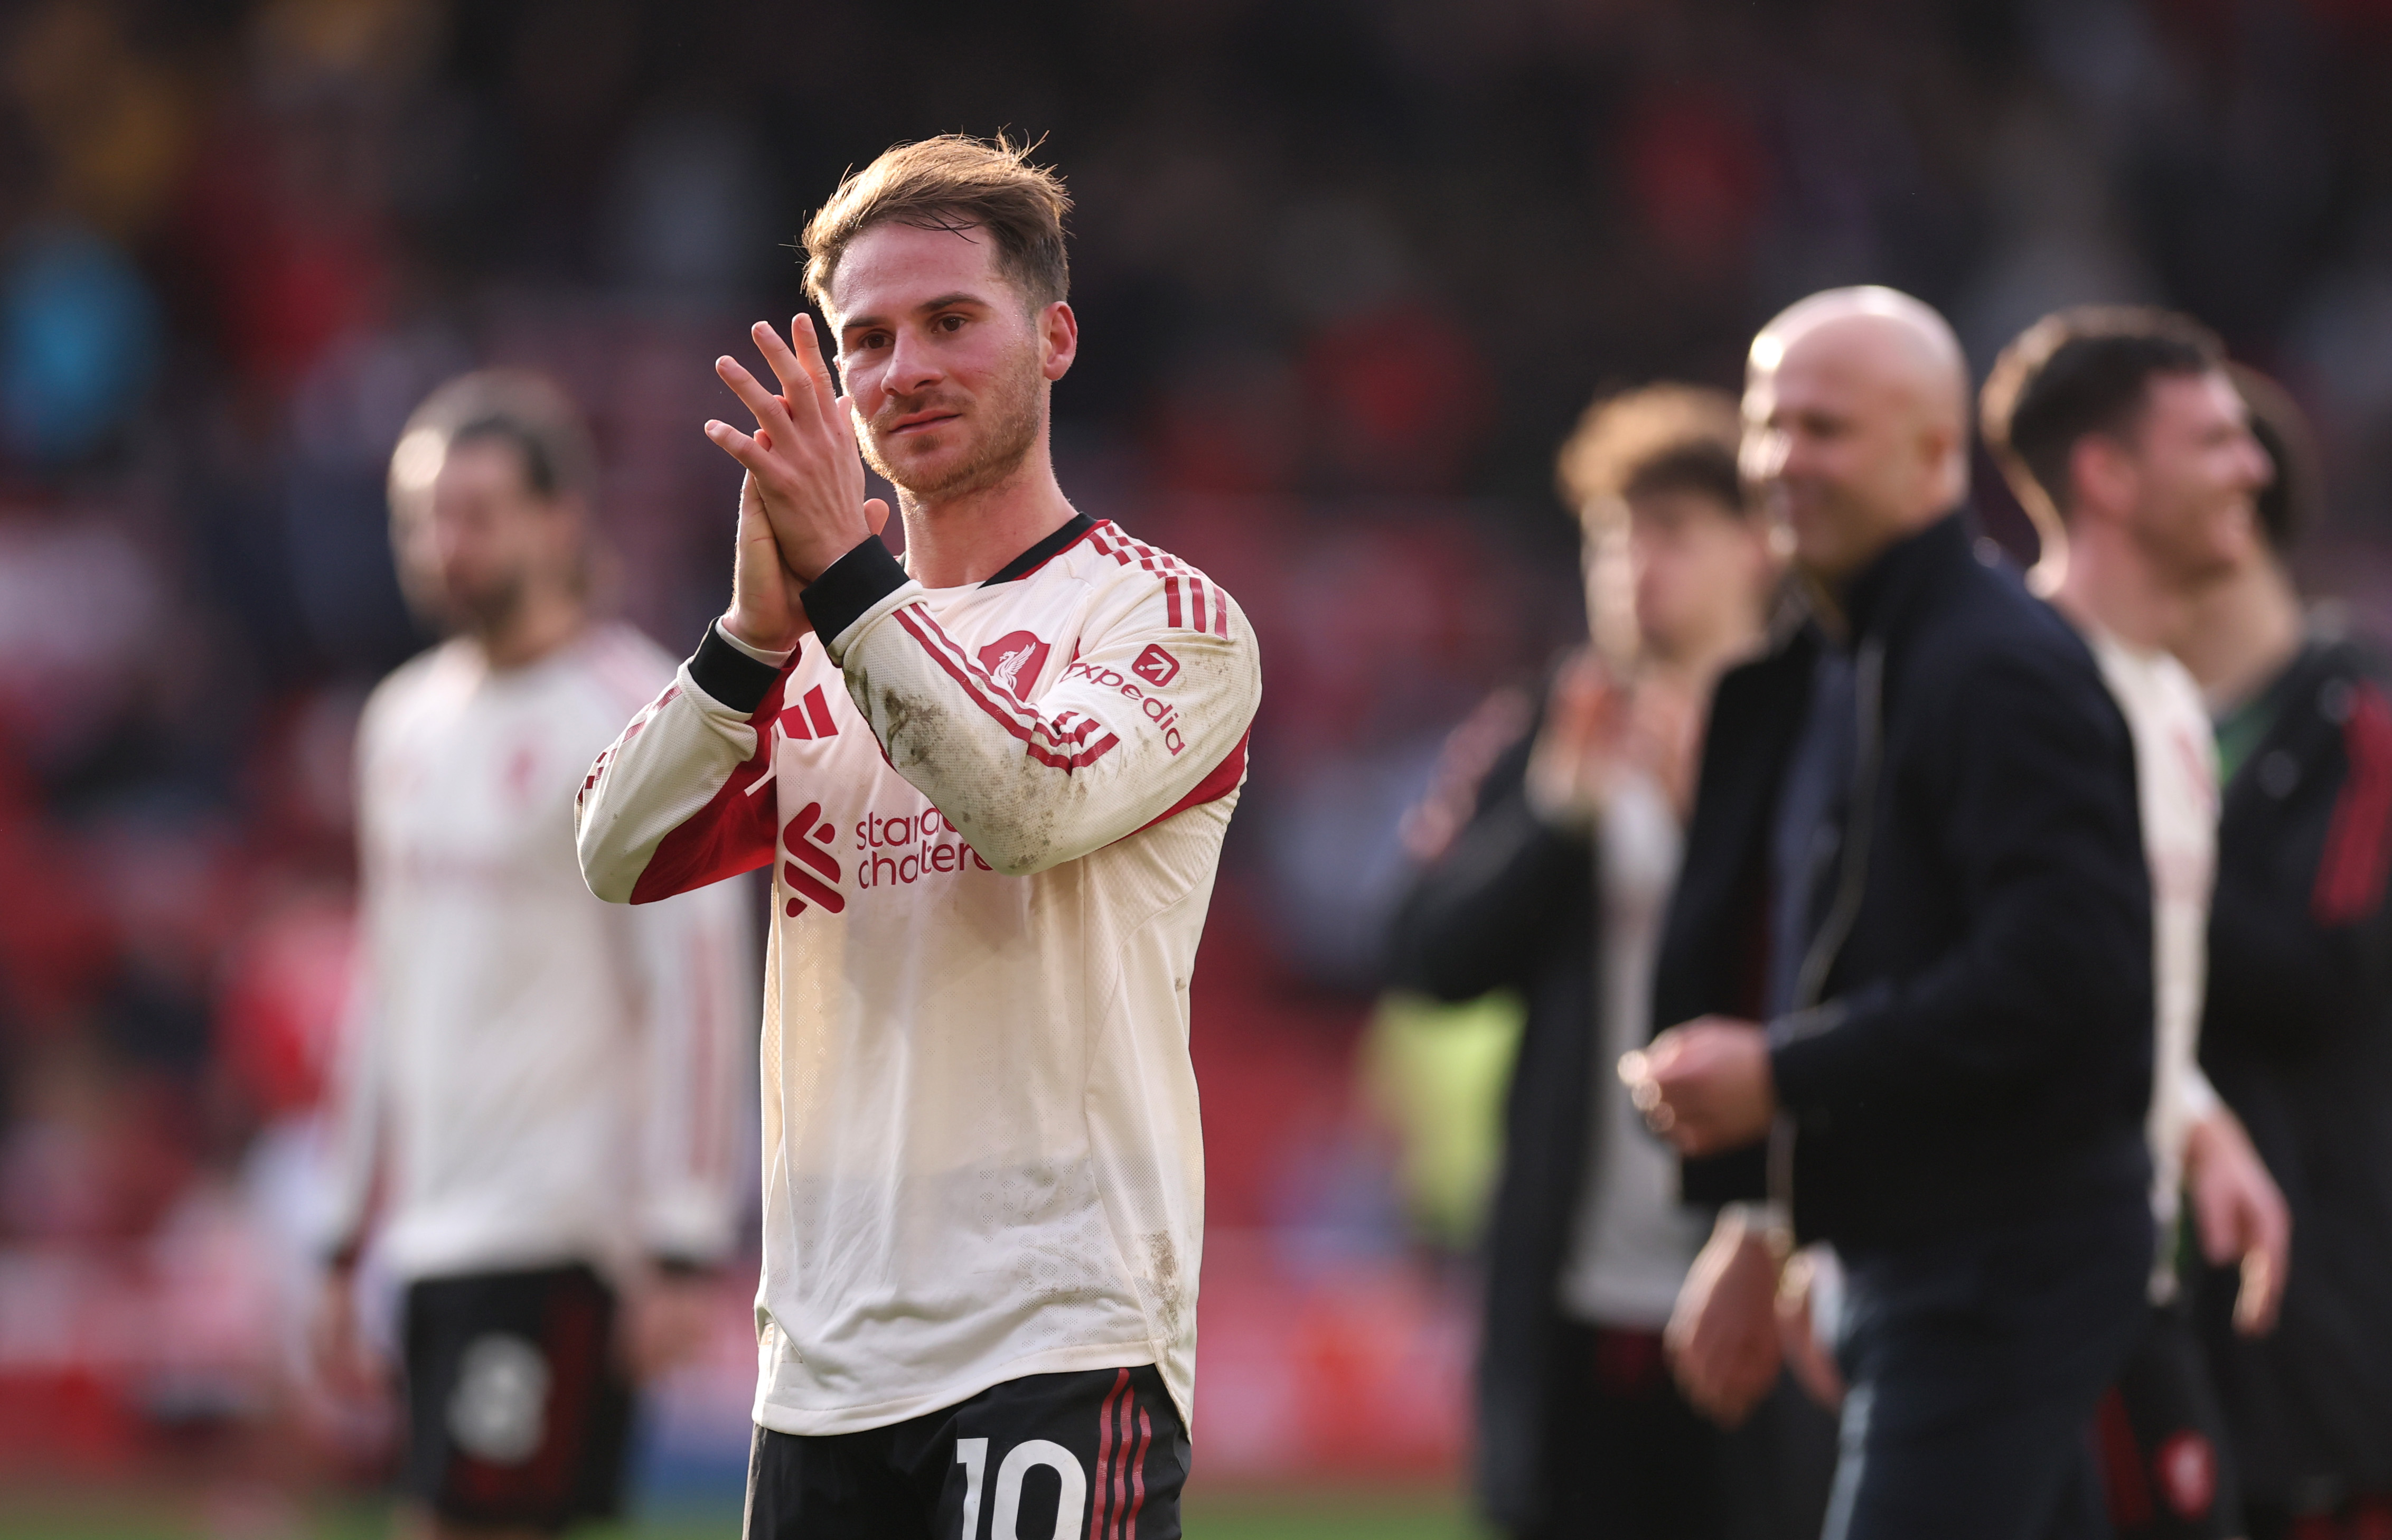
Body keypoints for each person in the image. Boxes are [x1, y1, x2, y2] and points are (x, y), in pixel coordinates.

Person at [572, 136, 1261, 1540]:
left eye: (952, 322)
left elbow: (1026, 805)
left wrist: (840, 582)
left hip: (1057, 1336)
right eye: (866, 339)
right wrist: (751, 639)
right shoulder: (809, 648)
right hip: (823, 1359)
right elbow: (616, 854)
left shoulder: (1163, 619)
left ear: (1054, 336)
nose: (905, 371)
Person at [1624, 286, 2156, 1540]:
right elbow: (1842, 956)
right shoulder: (1837, 659)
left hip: (1999, 1268)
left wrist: (1780, 1075)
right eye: (1769, 425)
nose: (1782, 461)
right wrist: (1761, 1220)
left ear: (1935, 453)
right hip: (1925, 1254)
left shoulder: (1994, 665)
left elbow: (2064, 977)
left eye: (1826, 430)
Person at [312, 371, 752, 1538]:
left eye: (476, 513)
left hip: (562, 1225)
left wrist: (682, 1235)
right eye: (423, 518)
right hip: (432, 1232)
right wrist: (341, 1234)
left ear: (563, 521)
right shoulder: (400, 723)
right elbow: (385, 984)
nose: (444, 544)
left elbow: (700, 986)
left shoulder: (637, 712)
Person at [1389, 384, 1830, 1538]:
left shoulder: (1821, 733)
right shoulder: (1550, 727)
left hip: (1765, 1277)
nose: (1635, 566)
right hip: (1568, 1289)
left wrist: (1709, 826)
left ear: (1758, 546)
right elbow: (1425, 957)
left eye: (1671, 532)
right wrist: (1552, 822)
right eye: (1610, 537)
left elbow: (1857, 971)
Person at [1980, 305, 2292, 1540]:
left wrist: (2204, 1126)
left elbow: (2118, 985)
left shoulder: (2166, 703)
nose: (2256, 469)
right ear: (2106, 476)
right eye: (2216, 442)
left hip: (2131, 1272)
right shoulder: (2000, 690)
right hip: (2020, 1291)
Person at [2171, 364, 2392, 1540]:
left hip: (2328, 1328)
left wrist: (2139, 854)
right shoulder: (2105, 724)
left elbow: (2316, 973)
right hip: (2144, 1329)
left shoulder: (2357, 711)